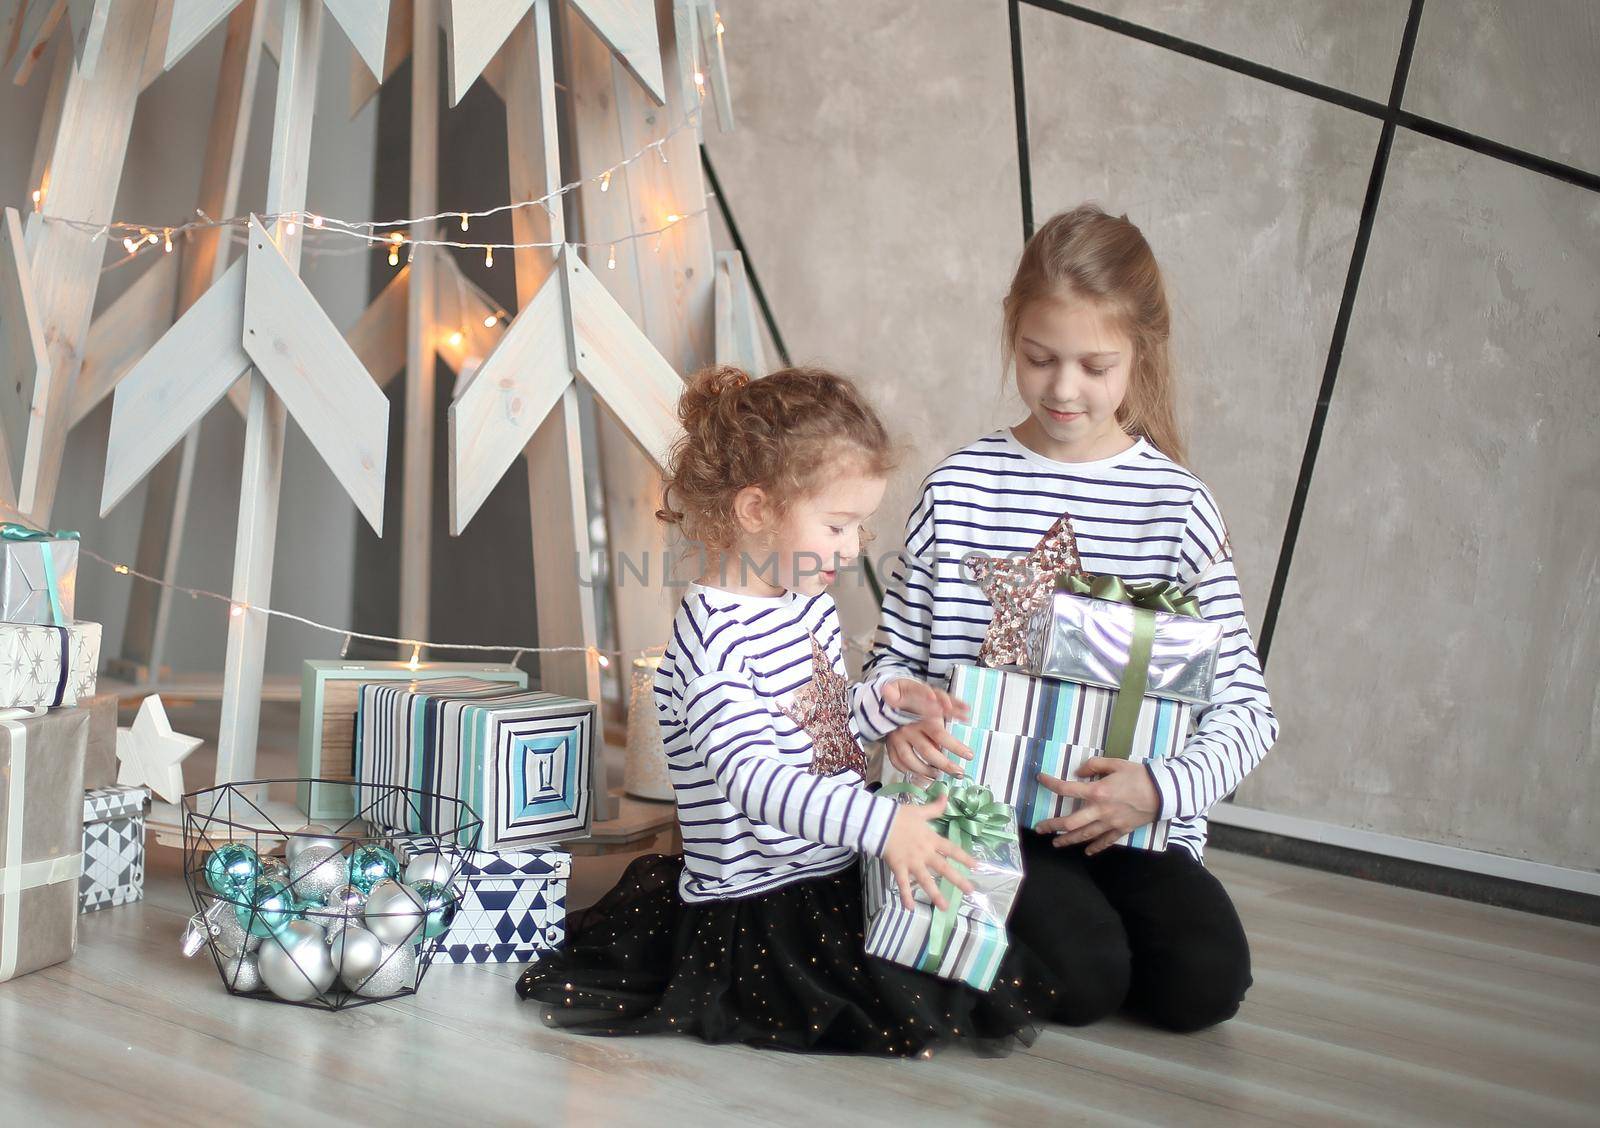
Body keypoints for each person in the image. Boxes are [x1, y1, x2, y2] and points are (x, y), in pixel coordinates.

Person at [518, 364, 1052, 1055]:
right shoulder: (713, 646)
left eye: (859, 525)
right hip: (760, 908)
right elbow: (762, 784)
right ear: (757, 511)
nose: (855, 547)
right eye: (837, 525)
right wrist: (884, 825)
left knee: (971, 944)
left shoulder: (805, 604)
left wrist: (881, 704)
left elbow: (816, 728)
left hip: (827, 867)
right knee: (893, 1001)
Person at [864, 204, 1279, 1032]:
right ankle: (991, 920)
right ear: (1011, 335)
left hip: (1125, 819)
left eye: (1095, 366)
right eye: (1039, 358)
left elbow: (1247, 713)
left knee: (1205, 985)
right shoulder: (957, 490)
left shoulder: (1178, 509)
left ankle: (1063, 916)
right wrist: (893, 718)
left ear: (1140, 356)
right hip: (978, 810)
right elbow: (890, 664)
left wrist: (1157, 790)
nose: (1063, 389)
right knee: (1087, 984)